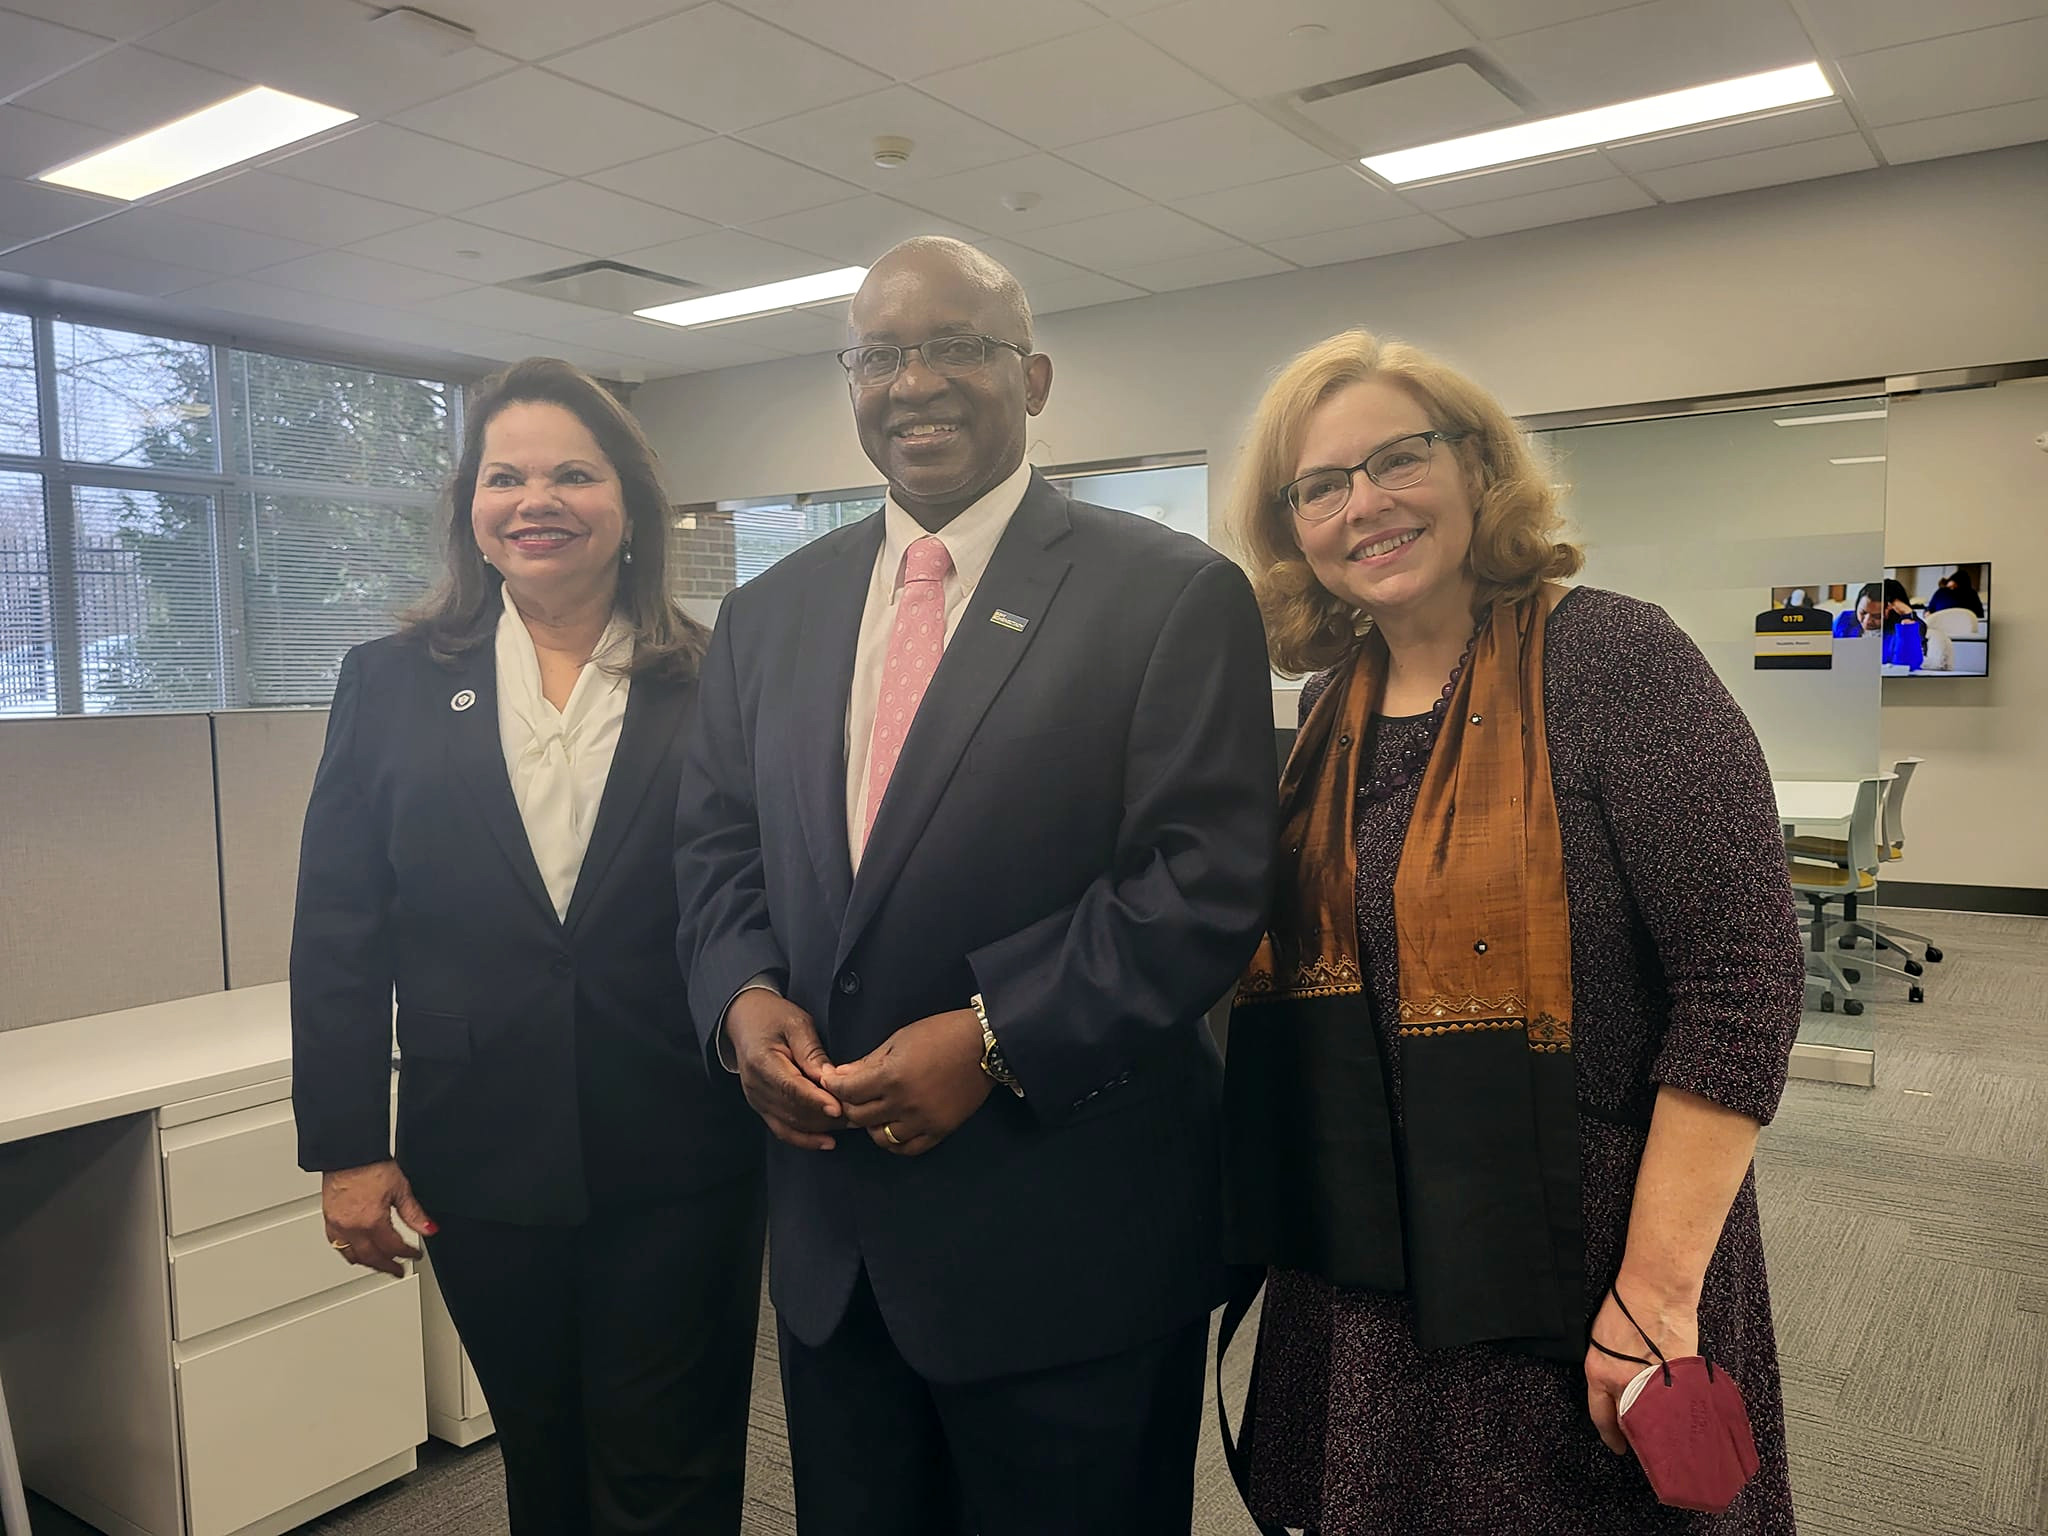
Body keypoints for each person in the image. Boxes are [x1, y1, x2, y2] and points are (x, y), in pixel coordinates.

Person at [672, 237, 1276, 1535]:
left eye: (957, 346)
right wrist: (741, 998)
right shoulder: (770, 616)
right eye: (882, 354)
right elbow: (716, 846)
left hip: (1070, 1244)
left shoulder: (1169, 594)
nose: (916, 382)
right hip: (839, 1250)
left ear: (1036, 376)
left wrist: (997, 1036)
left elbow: (1203, 886)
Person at [1221, 329, 1803, 1533]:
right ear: (1293, 530)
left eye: (1395, 459)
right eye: (1318, 486)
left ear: (1479, 469)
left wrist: (1654, 1291)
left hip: (1580, 1258)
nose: (1362, 505)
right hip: (1366, 1267)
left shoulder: (1614, 661)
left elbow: (1739, 979)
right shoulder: (1327, 712)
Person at [291, 358, 765, 1535]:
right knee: (542, 1456)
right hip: (481, 1149)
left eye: (571, 473)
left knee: (672, 1466)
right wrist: (346, 1147)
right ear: (470, 508)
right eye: (504, 476)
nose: (534, 499)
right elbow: (341, 925)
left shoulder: (719, 678)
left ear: (629, 506)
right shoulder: (391, 682)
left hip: (680, 1145)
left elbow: (762, 892)